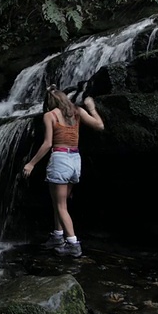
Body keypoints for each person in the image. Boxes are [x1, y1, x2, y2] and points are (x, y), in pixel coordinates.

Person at [22, 84, 104, 257]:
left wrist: (31, 163)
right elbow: (99, 126)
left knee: (60, 206)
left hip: (60, 159)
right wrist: (92, 108)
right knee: (59, 203)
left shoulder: (50, 115)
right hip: (75, 160)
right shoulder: (77, 111)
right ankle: (58, 236)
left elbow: (48, 143)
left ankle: (73, 244)